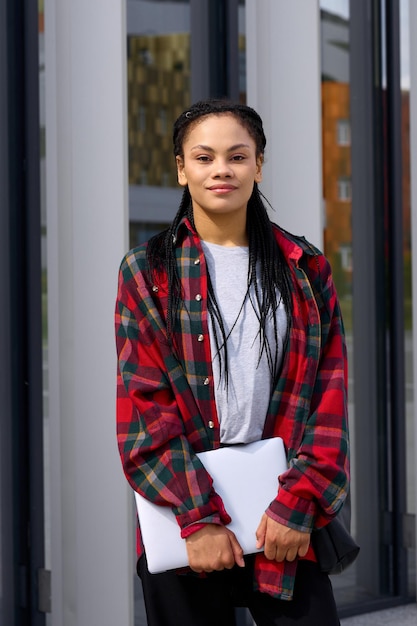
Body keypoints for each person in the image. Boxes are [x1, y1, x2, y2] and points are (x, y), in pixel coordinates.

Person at [115, 99, 349, 626]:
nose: (221, 169)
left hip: (285, 516)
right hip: (185, 519)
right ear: (181, 168)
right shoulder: (147, 272)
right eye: (203, 157)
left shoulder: (305, 269)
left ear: (258, 165)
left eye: (237, 156)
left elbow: (328, 399)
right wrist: (197, 520)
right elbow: (144, 409)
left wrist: (299, 504)